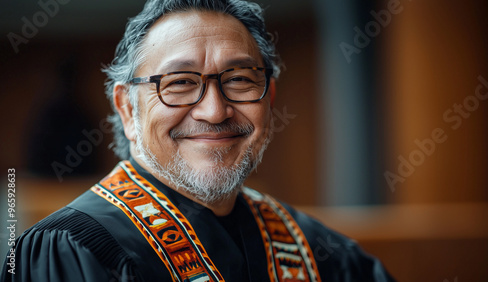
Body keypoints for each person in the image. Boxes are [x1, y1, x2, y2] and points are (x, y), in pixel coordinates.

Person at [2, 0, 394, 281]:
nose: (214, 111)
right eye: (180, 83)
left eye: (239, 79)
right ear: (127, 110)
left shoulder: (317, 249)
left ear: (269, 99)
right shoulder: (70, 251)